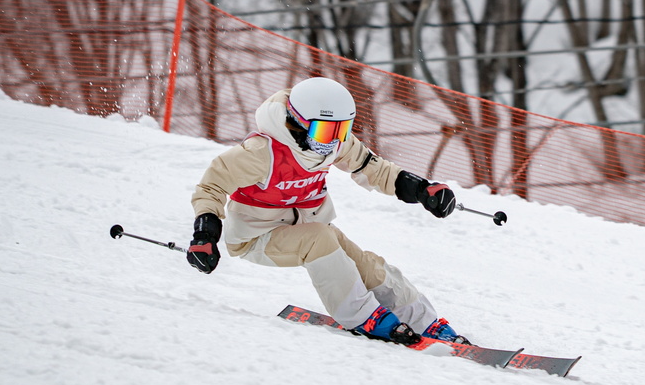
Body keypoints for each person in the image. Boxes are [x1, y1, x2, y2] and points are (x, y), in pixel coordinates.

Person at [186, 76, 468, 346]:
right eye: (324, 131)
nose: (332, 141)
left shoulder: (332, 144)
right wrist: (205, 236)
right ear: (298, 122)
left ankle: (423, 321)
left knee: (364, 264)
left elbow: (374, 168)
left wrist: (422, 190)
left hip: (310, 229)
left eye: (340, 130)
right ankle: (362, 317)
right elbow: (211, 187)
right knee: (319, 238)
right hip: (257, 237)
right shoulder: (260, 152)